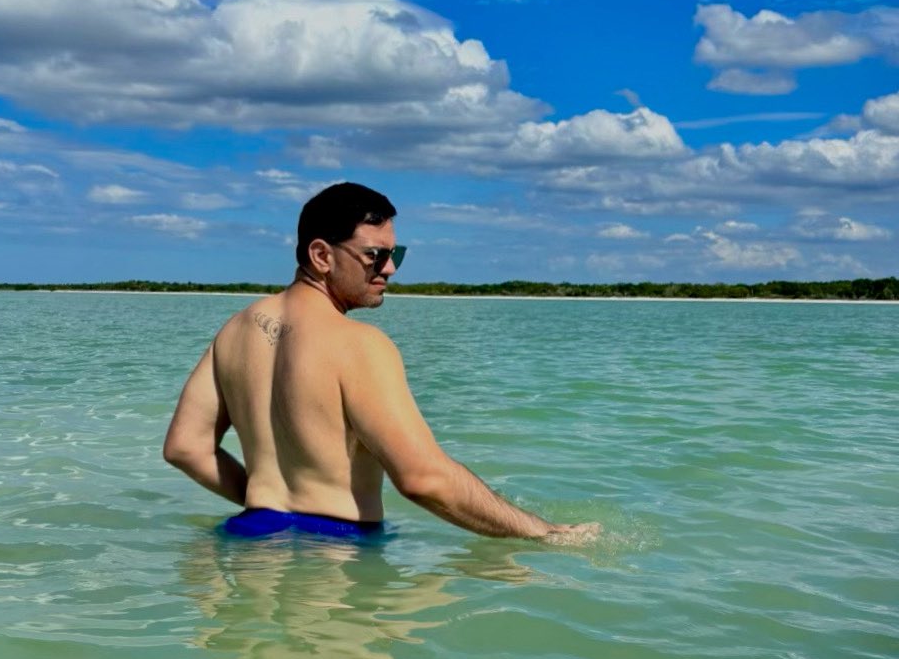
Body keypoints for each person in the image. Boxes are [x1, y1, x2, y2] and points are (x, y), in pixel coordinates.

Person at [164, 182, 599, 545]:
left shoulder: (235, 330)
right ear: (321, 256)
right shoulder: (359, 344)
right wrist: (542, 532)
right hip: (332, 556)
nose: (390, 269)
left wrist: (266, 509)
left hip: (245, 539)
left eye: (396, 254)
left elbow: (186, 448)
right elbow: (422, 478)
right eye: (375, 255)